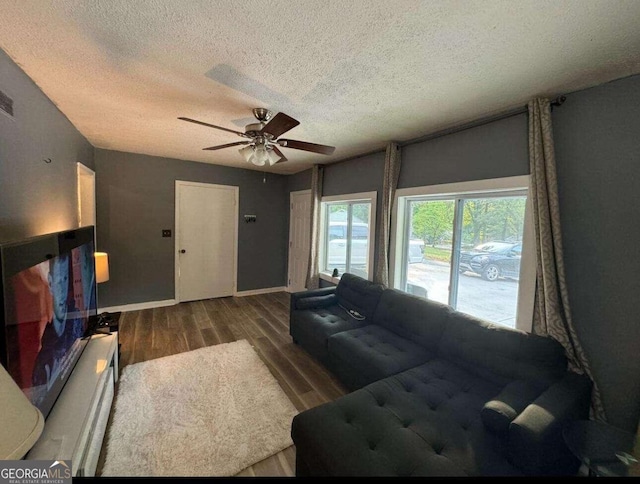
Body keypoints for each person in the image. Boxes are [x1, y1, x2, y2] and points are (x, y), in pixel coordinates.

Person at [32, 253, 83, 394]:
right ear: (50, 283)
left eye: (65, 280)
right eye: (59, 281)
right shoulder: (44, 362)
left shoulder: (76, 318)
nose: (62, 290)